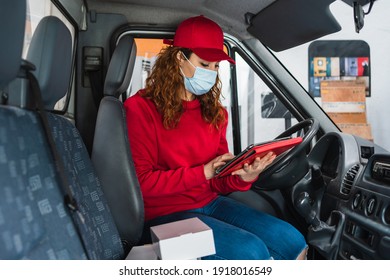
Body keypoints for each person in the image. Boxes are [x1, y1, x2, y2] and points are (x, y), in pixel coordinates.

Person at [124, 15, 307, 260]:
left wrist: (244, 177)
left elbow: (218, 181)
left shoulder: (215, 113)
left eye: (216, 66)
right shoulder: (140, 109)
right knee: (251, 253)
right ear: (180, 58)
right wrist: (204, 172)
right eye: (204, 63)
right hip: (161, 215)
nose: (212, 73)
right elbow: (142, 184)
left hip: (209, 202)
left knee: (292, 241)